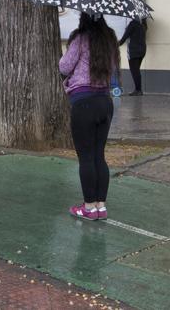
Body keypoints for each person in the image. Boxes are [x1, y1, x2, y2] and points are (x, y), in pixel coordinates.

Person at [58, 13, 120, 221]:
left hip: (83, 102)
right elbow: (111, 69)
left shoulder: (81, 39)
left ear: (83, 19)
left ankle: (88, 206)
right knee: (98, 155)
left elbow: (64, 67)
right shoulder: (110, 40)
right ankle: (100, 206)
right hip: (104, 102)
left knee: (85, 156)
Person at [120, 18, 147, 96]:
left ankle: (138, 90)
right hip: (142, 50)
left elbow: (124, 38)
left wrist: (115, 45)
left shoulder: (133, 24)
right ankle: (138, 89)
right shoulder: (143, 25)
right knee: (136, 70)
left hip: (134, 50)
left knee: (134, 71)